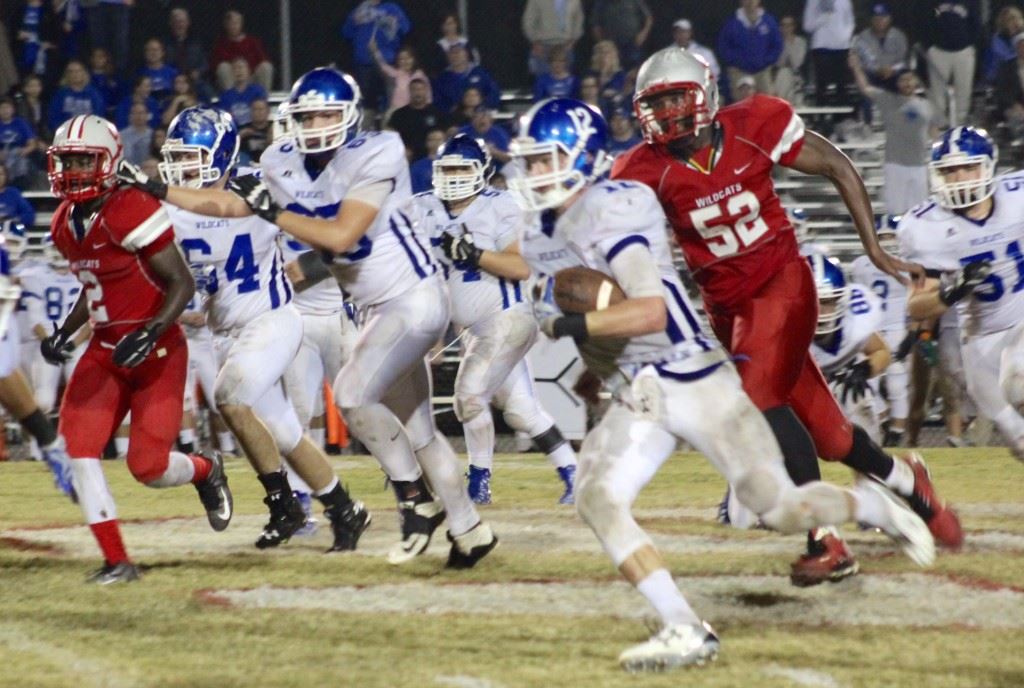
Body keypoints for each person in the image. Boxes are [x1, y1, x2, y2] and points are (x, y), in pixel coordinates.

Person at [508, 96, 933, 671]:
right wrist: (592, 367)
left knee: (779, 508)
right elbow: (591, 309)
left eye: (545, 160)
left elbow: (649, 311)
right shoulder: (538, 232)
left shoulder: (616, 203)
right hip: (640, 388)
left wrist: (565, 322)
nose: (535, 174)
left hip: (695, 376)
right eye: (529, 162)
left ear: (581, 156)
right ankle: (684, 627)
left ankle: (877, 510)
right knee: (596, 496)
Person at [613, 48, 963, 586]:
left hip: (782, 284)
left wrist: (872, 250)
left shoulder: (756, 122)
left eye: (675, 98)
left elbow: (839, 166)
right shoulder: (641, 169)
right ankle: (912, 483)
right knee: (831, 437)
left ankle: (825, 541)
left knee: (756, 403)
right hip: (730, 312)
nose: (666, 114)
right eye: (655, 104)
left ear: (705, 93)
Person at [129, 68, 497, 569]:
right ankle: (466, 529)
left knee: (346, 393)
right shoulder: (280, 160)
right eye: (306, 115)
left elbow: (342, 237)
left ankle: (413, 502)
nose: (317, 124)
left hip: (412, 298)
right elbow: (236, 207)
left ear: (350, 115)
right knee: (417, 432)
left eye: (327, 113)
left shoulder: (379, 149)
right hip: (365, 307)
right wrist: (155, 188)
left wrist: (274, 223)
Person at [151, 106, 370, 549]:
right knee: (285, 433)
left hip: (272, 320)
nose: (182, 166)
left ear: (221, 154)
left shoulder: (260, 188)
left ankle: (282, 504)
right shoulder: (167, 206)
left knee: (229, 399)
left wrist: (303, 267)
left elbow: (330, 236)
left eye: (192, 156)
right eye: (177, 156)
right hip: (225, 331)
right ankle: (347, 509)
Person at [43, 114, 232, 583]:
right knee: (77, 449)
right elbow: (94, 289)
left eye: (84, 159)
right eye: (67, 161)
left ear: (109, 161)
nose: (74, 171)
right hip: (105, 352)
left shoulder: (131, 206)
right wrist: (67, 333)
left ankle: (206, 469)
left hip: (158, 350)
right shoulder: (65, 221)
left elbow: (181, 283)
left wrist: (148, 332)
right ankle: (116, 560)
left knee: (147, 466)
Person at [421, 133, 578, 503]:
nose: (454, 176)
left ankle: (478, 482)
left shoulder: (502, 205)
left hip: (509, 318)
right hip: (472, 330)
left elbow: (522, 266)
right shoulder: (421, 207)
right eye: (448, 168)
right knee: (523, 412)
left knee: (469, 396)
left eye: (462, 167)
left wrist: (473, 254)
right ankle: (574, 472)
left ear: (482, 171)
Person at [901, 126, 1024, 460]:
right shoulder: (927, 226)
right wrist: (952, 292)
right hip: (980, 341)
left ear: (988, 166)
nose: (961, 177)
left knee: (1020, 379)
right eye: (950, 170)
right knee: (1019, 441)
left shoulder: (1017, 195)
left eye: (969, 167)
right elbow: (916, 307)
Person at [808, 254, 890, 444]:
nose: (821, 311)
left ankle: (871, 465)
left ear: (841, 299)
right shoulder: (784, 326)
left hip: (837, 383)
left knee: (857, 394)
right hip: (799, 389)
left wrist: (863, 370)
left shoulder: (854, 321)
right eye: (815, 301)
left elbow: (882, 352)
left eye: (827, 302)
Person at [849, 52, 937, 215]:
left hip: (919, 165)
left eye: (910, 79)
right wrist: (856, 67)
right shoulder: (887, 99)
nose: (907, 83)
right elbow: (865, 88)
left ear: (916, 81)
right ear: (897, 83)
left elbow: (934, 130)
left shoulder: (926, 104)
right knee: (895, 212)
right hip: (895, 165)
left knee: (921, 213)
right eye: (903, 80)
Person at [342, 0, 411, 114]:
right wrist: (353, 21)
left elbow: (406, 28)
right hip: (364, 62)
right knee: (366, 101)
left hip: (387, 61)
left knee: (390, 97)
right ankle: (368, 128)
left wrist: (393, 20)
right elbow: (346, 33)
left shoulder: (392, 8)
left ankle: (389, 125)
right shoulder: (359, 10)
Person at [925, 0, 980, 127]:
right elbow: (923, 20)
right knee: (937, 91)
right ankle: (938, 125)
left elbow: (976, 22)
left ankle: (959, 124)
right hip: (938, 50)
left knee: (964, 90)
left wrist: (971, 44)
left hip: (963, 50)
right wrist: (929, 45)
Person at [717, 0, 782, 100]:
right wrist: (738, 61)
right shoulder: (732, 23)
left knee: (767, 101)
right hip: (739, 70)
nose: (750, 2)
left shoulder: (769, 21)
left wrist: (765, 61)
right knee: (740, 103)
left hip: (762, 71)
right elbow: (724, 47)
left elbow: (777, 46)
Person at [802, 0, 854, 105]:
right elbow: (807, 26)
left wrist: (844, 36)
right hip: (821, 47)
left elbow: (850, 22)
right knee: (822, 85)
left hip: (841, 48)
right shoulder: (813, 2)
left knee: (842, 84)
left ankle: (841, 117)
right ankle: (822, 115)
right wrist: (823, 18)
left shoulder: (844, 1)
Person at [211, 10, 274, 92]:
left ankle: (261, 99)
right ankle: (233, 99)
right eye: (231, 23)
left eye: (236, 23)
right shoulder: (221, 44)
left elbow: (262, 60)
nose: (234, 26)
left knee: (266, 66)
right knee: (223, 67)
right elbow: (215, 66)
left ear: (241, 24)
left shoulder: (252, 42)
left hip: (251, 79)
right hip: (233, 80)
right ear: (226, 25)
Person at [386, 77, 445, 161]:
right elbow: (390, 136)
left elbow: (445, 135)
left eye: (421, 89)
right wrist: (401, 150)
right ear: (409, 91)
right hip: (406, 157)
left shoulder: (437, 112)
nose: (418, 93)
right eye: (414, 89)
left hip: (432, 156)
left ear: (426, 91)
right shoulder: (399, 114)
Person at [853, 3, 909, 92]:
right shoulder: (862, 37)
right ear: (871, 20)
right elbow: (860, 61)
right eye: (876, 18)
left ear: (889, 19)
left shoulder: (899, 36)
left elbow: (903, 60)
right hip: (872, 76)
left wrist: (892, 69)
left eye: (883, 17)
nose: (880, 21)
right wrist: (877, 70)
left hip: (894, 75)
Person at [521, 0, 584, 75]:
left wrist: (573, 40)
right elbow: (528, 21)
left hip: (566, 46)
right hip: (543, 46)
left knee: (565, 80)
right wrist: (535, 41)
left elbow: (578, 20)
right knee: (544, 80)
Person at [433, 44, 501, 113]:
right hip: (454, 118)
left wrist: (482, 108)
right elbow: (438, 100)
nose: (455, 56)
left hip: (480, 114)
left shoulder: (481, 73)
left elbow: (493, 92)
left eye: (458, 52)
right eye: (452, 53)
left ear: (466, 54)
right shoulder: (442, 78)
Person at [47, 60, 105, 134]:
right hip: (65, 134)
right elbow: (54, 116)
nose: (75, 74)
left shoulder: (94, 94)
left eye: (78, 71)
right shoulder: (61, 94)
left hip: (89, 134)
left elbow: (98, 116)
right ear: (66, 74)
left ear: (84, 73)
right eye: (71, 71)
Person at [589, 0, 652, 69]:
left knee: (634, 69)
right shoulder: (601, 2)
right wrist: (602, 43)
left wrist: (643, 35)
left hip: (633, 43)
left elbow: (648, 18)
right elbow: (595, 24)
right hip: (611, 46)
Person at [370, 43, 429, 115]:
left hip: (416, 111)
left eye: (408, 58)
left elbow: (428, 96)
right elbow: (383, 65)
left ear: (414, 59)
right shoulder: (396, 73)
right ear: (398, 61)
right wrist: (375, 51)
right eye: (402, 59)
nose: (406, 61)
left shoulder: (421, 75)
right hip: (397, 110)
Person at [0, 97, 40, 188]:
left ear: (12, 109)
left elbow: (32, 143)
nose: (5, 111)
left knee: (23, 165)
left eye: (7, 108)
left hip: (19, 153)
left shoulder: (20, 123)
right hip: (3, 154)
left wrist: (25, 150)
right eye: (2, 108)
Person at [216, 58, 267, 127]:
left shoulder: (257, 91)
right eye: (235, 68)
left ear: (248, 71)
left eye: (241, 67)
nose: (239, 71)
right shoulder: (225, 96)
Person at [85, 0, 131, 76]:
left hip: (120, 4)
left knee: (120, 44)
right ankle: (98, 76)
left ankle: (119, 76)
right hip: (96, 4)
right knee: (98, 43)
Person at [773, 15, 807, 105]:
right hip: (780, 76)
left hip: (797, 76)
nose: (786, 28)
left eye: (789, 25)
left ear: (794, 26)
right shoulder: (776, 43)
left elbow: (797, 62)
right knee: (784, 73)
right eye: (784, 25)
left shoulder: (801, 42)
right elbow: (779, 63)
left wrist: (789, 42)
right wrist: (785, 42)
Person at [138, 37, 178, 107]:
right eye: (149, 50)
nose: (153, 53)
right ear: (145, 53)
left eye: (156, 50)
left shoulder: (173, 72)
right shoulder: (139, 74)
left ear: (162, 52)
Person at [409, 126, 446, 193]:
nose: (437, 143)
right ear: (427, 143)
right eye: (433, 139)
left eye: (440, 140)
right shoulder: (417, 167)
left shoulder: (453, 164)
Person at [238, 98, 272, 165]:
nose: (258, 112)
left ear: (268, 111)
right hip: (247, 165)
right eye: (255, 109)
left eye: (261, 109)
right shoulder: (243, 128)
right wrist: (240, 136)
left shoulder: (275, 127)